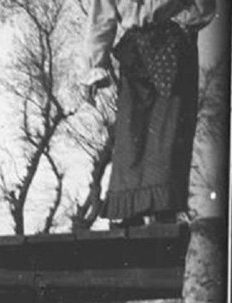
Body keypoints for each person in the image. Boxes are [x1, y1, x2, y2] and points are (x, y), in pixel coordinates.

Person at [82, 0, 216, 226]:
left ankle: (165, 212)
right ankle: (131, 213)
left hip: (174, 44)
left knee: (169, 135)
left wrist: (182, 22)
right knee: (131, 136)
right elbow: (102, 14)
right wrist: (95, 65)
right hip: (136, 50)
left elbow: (204, 6)